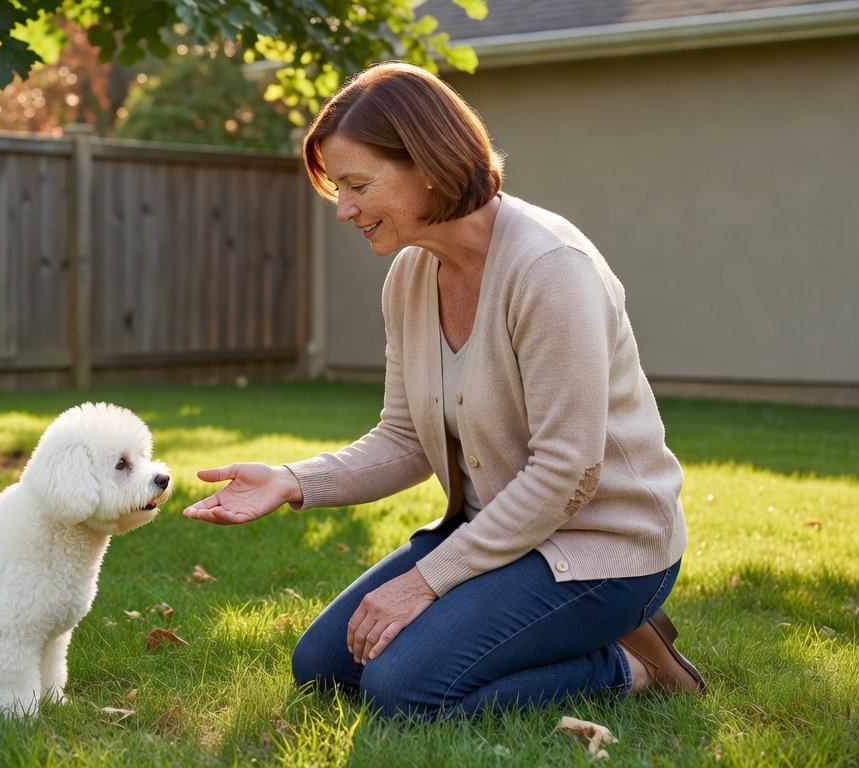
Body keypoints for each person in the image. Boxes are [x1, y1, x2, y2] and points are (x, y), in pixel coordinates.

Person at [182, 61, 705, 719]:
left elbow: (568, 472)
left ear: (427, 164)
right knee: (323, 669)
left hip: (603, 549)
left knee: (404, 691)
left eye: (357, 186)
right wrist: (293, 480)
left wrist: (425, 583)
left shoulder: (551, 270)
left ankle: (632, 662)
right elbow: (404, 437)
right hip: (499, 533)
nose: (343, 210)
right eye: (336, 190)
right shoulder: (409, 276)